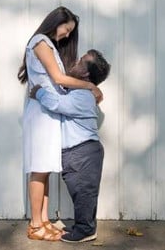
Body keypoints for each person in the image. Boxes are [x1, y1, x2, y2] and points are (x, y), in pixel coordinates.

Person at [18, 6, 103, 241]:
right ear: (56, 21)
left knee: (45, 168)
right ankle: (36, 225)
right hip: (40, 113)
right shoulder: (40, 42)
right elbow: (58, 78)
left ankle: (44, 221)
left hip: (48, 112)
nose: (67, 35)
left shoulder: (50, 45)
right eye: (67, 29)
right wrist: (90, 85)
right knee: (39, 169)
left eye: (70, 32)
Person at [30, 49, 111, 243]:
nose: (76, 60)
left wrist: (38, 92)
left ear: (85, 73)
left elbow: (57, 104)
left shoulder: (83, 95)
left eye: (81, 60)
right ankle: (84, 226)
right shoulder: (79, 91)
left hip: (82, 152)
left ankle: (85, 230)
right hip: (81, 152)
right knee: (82, 193)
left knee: (83, 193)